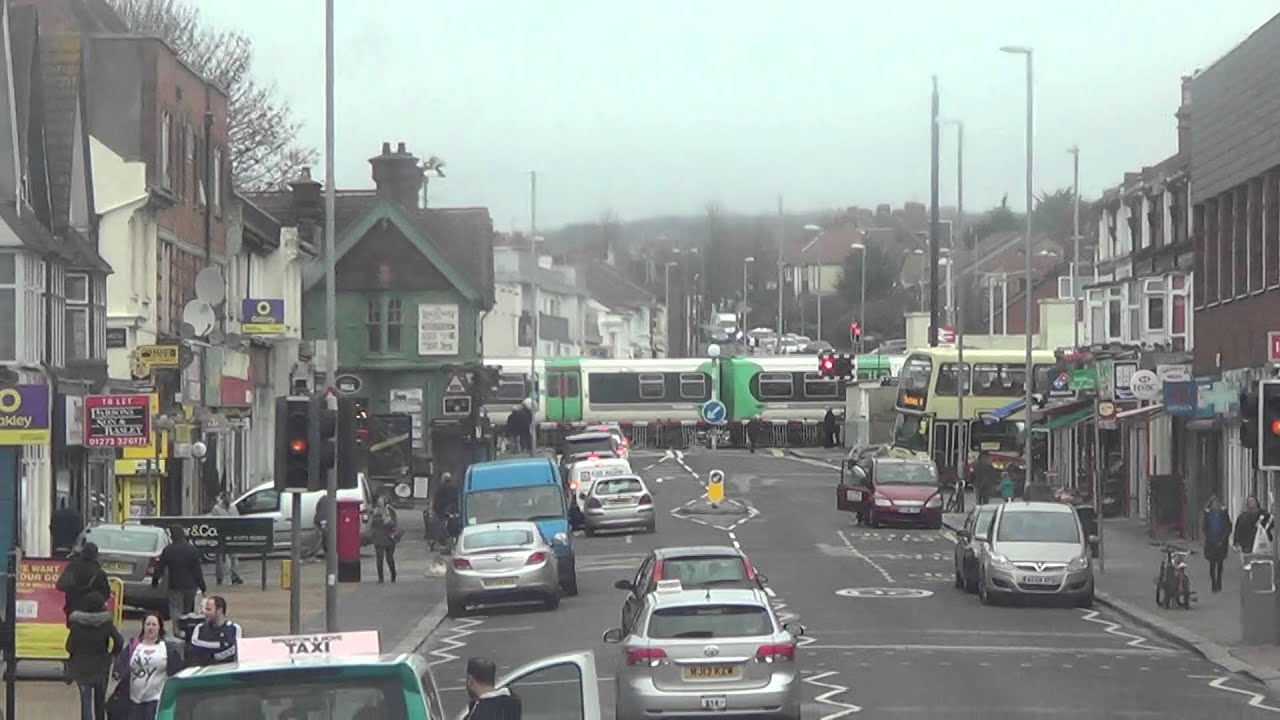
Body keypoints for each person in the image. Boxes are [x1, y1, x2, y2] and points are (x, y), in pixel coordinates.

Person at [66, 591, 123, 720]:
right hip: (101, 665)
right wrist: (112, 654)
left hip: (82, 667)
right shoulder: (106, 624)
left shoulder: (77, 624)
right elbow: (119, 641)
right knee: (100, 701)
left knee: (85, 702)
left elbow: (69, 646)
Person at [113, 612, 181, 720]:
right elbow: (121, 664)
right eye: (148, 624)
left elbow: (177, 671)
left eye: (154, 625)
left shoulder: (167, 648)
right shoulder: (134, 646)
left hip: (155, 698)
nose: (150, 627)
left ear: (159, 628)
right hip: (133, 698)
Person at [152, 527, 206, 636]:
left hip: (175, 585)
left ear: (172, 536)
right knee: (188, 610)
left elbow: (160, 567)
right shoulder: (191, 549)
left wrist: (155, 580)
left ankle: (177, 631)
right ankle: (188, 631)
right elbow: (197, 570)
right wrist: (202, 586)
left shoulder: (168, 550)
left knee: (175, 609)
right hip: (190, 586)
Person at [59, 542, 112, 622]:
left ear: (82, 552)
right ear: (96, 555)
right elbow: (106, 593)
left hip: (73, 607)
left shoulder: (72, 567)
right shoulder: (99, 572)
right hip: (92, 610)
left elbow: (61, 585)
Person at [186, 596, 240, 667]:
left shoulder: (234, 628)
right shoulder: (199, 628)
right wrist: (222, 645)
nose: (204, 612)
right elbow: (195, 646)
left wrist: (212, 655)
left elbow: (236, 650)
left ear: (219, 610)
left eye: (208, 609)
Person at [210, 492, 243, 586]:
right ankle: (219, 577)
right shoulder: (216, 509)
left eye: (229, 498)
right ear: (222, 498)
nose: (228, 500)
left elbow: (237, 519)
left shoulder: (233, 507)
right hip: (221, 535)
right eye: (226, 498)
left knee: (234, 556)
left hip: (231, 534)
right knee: (219, 557)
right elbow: (213, 522)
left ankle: (235, 576)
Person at [1203, 496, 1233, 593]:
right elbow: (1204, 528)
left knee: (1220, 563)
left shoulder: (1224, 515)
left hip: (1221, 542)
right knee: (1212, 565)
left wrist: (1223, 539)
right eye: (1213, 503)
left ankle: (1219, 581)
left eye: (1217, 503)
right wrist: (1210, 539)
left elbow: (1228, 527)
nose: (1215, 505)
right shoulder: (1208, 515)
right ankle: (1213, 583)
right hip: (1211, 543)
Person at [370, 495, 400, 583]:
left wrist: (387, 520)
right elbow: (372, 525)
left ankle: (393, 575)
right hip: (379, 538)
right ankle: (380, 578)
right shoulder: (375, 512)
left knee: (389, 558)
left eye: (381, 502)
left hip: (389, 538)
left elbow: (395, 524)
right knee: (379, 559)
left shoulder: (390, 511)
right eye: (378, 502)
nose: (380, 504)